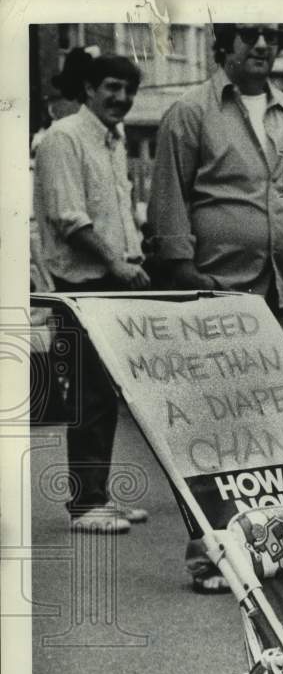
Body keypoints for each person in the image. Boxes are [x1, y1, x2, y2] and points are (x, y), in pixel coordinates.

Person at [148, 22, 283, 593]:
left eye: (272, 37)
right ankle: (208, 558)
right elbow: (169, 200)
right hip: (215, 291)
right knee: (212, 433)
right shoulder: (190, 112)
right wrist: (185, 276)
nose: (262, 46)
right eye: (249, 35)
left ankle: (265, 551)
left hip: (279, 293)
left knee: (273, 431)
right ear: (225, 43)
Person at [33, 49, 150, 534]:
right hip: (82, 283)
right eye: (111, 88)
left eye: (128, 90)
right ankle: (85, 506)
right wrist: (117, 265)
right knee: (89, 393)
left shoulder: (111, 139)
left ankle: (98, 496)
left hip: (111, 280)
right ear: (87, 90)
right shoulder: (64, 138)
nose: (121, 98)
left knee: (105, 393)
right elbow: (70, 219)